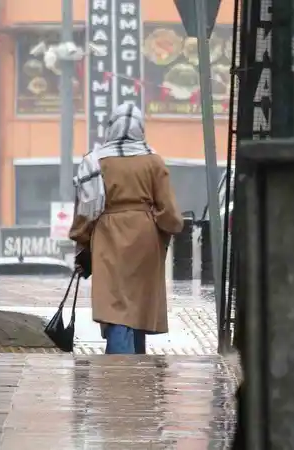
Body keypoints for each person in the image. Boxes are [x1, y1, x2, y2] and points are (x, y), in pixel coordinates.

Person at [69, 104, 183, 355]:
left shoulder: (95, 161)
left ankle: (121, 366)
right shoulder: (153, 160)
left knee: (116, 305)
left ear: (111, 127)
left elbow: (86, 208)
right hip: (145, 235)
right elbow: (169, 211)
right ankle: (135, 363)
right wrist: (164, 229)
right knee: (138, 304)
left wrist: (81, 239)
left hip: (107, 234)